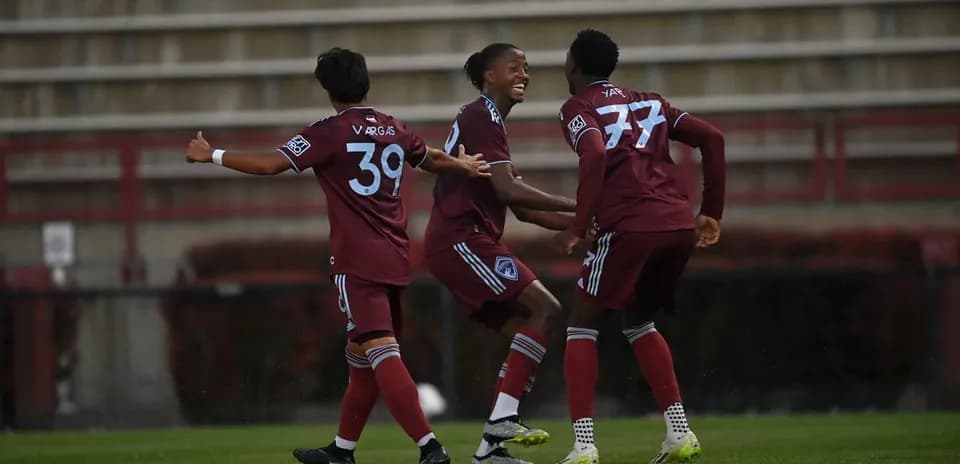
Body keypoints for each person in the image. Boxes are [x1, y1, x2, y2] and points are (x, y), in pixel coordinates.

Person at [185, 47, 491, 464]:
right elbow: (428, 158)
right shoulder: (390, 127)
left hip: (356, 260)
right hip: (396, 255)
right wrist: (462, 166)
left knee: (381, 351)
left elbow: (271, 165)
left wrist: (213, 155)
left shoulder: (327, 132)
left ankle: (430, 447)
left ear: (327, 88)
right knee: (362, 356)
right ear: (366, 82)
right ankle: (342, 451)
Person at [551, 29, 726, 464]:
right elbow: (713, 138)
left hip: (631, 224)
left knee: (581, 324)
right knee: (639, 321)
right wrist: (712, 211)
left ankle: (585, 445)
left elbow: (593, 154)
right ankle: (679, 433)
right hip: (676, 224)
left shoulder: (578, 106)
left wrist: (577, 224)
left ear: (573, 66)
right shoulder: (652, 101)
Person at [423, 43, 578, 464]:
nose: (523, 74)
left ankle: (490, 451)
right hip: (462, 240)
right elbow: (510, 190)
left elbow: (524, 210)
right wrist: (580, 206)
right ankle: (501, 422)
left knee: (530, 329)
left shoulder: (487, 122)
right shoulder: (481, 116)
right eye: (513, 67)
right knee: (544, 308)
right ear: (488, 76)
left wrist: (581, 225)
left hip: (463, 242)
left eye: (526, 67)